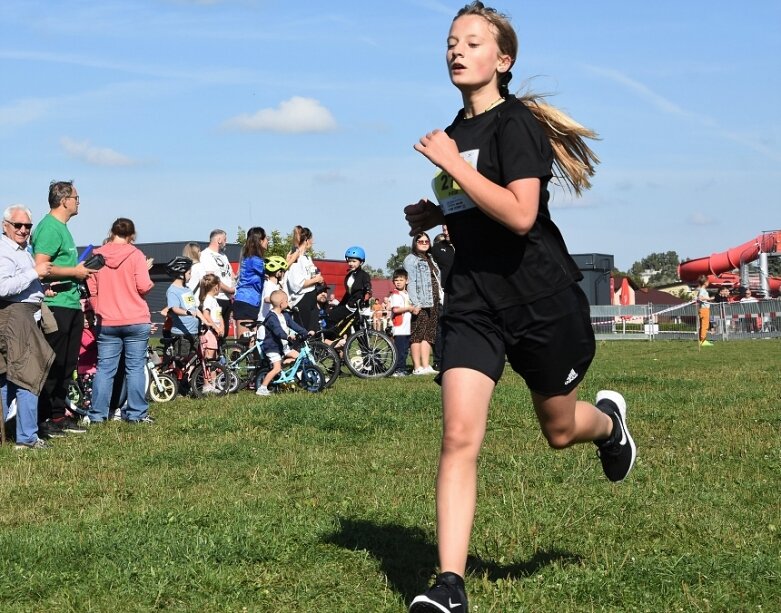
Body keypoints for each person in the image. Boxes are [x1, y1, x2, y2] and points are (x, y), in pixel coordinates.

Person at [404, 4, 635, 611]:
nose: (457, 50)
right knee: (458, 435)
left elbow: (520, 213)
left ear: (502, 60)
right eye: (451, 41)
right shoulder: (452, 134)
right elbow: (477, 211)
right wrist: (437, 214)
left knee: (560, 431)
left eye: (472, 42)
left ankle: (609, 425)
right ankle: (450, 586)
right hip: (475, 302)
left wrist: (452, 170)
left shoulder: (516, 127)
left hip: (539, 301)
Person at [32, 180, 95, 437]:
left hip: (70, 304)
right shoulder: (48, 228)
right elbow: (41, 266)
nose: (79, 202)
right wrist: (75, 272)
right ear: (64, 200)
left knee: (67, 363)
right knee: (52, 363)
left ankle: (59, 416)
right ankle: (43, 417)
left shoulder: (63, 228)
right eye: (77, 198)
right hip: (55, 305)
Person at [85, 218, 154, 424]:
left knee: (105, 369)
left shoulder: (97, 256)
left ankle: (97, 415)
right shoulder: (136, 255)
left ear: (111, 231)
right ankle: (136, 414)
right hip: (135, 319)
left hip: (107, 321)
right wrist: (147, 273)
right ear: (132, 235)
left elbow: (92, 291)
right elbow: (143, 286)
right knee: (134, 368)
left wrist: (100, 310)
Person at [0, 204, 55, 450]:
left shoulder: (22, 249)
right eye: (18, 225)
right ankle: (27, 438)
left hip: (21, 314)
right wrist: (35, 273)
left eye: (27, 226)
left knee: (9, 377)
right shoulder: (4, 250)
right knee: (28, 374)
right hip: (16, 316)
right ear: (5, 226)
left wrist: (41, 290)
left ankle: (15, 434)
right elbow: (3, 288)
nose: (23, 230)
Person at [257, 290, 310, 396]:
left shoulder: (284, 315)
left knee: (299, 357)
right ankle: (262, 388)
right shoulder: (271, 317)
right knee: (276, 368)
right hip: (273, 347)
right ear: (281, 303)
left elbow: (293, 325)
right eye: (287, 301)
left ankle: (299, 376)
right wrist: (287, 336)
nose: (288, 303)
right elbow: (277, 330)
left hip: (283, 346)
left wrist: (305, 332)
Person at [403, 232, 442, 375]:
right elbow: (411, 283)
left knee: (429, 334)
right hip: (420, 301)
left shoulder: (431, 258)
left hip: (434, 300)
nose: (424, 243)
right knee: (417, 334)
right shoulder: (411, 259)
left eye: (427, 241)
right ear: (415, 242)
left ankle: (426, 365)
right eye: (421, 241)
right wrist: (415, 303)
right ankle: (417, 366)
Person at [284, 227, 323, 332]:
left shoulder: (307, 258)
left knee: (314, 331)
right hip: (301, 299)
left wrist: (317, 277)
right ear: (306, 240)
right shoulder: (295, 258)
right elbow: (297, 284)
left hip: (311, 296)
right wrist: (315, 280)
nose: (312, 242)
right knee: (302, 331)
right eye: (311, 239)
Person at [164, 257, 207, 351]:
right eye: (189, 273)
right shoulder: (173, 290)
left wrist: (206, 322)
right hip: (181, 334)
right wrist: (187, 312)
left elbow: (194, 308)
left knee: (195, 363)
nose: (190, 276)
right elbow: (174, 309)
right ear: (181, 274)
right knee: (184, 363)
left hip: (193, 332)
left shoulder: (187, 289)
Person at [199, 229, 236, 336]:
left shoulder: (223, 255)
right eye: (225, 239)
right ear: (219, 240)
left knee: (223, 331)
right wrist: (229, 289)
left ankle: (220, 352)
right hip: (217, 297)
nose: (226, 242)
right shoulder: (206, 255)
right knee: (215, 330)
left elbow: (231, 274)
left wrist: (235, 282)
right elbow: (213, 278)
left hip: (227, 298)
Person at [233, 227, 268, 336]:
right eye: (266, 238)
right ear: (260, 240)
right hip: (246, 300)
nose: (268, 241)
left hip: (251, 301)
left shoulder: (251, 258)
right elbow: (275, 270)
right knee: (244, 340)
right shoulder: (254, 260)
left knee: (250, 341)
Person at [327, 246, 372, 328]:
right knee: (335, 314)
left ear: (361, 262)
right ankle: (344, 339)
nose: (351, 263)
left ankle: (329, 338)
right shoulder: (349, 275)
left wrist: (368, 293)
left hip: (355, 305)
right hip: (349, 304)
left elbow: (367, 285)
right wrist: (339, 306)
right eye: (349, 261)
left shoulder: (363, 275)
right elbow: (348, 293)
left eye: (354, 261)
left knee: (332, 316)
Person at [430, 226, 455, 369]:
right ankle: (439, 360)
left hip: (466, 291)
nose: (445, 232)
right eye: (444, 229)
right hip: (446, 291)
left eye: (448, 229)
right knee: (442, 325)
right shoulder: (438, 248)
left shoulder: (466, 245)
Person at [198, 273, 224, 392]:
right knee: (209, 359)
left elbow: (218, 315)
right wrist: (216, 328)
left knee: (213, 359)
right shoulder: (208, 300)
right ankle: (207, 384)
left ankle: (213, 383)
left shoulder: (214, 300)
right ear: (216, 287)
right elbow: (206, 315)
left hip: (215, 333)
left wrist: (221, 327)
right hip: (209, 333)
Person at [389, 269, 413, 377]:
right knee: (400, 350)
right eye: (396, 280)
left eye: (401, 280)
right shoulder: (396, 294)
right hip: (399, 328)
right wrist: (409, 308)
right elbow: (395, 310)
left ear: (407, 281)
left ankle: (402, 368)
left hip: (406, 327)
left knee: (404, 350)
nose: (398, 282)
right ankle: (398, 369)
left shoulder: (406, 294)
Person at [260, 255, 288, 323]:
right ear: (278, 273)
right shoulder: (268, 284)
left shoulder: (277, 286)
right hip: (265, 320)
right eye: (283, 272)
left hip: (272, 320)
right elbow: (266, 299)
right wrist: (280, 300)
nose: (284, 274)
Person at [695, 275, 713, 347]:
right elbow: (700, 298)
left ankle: (701, 340)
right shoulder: (702, 290)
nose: (709, 282)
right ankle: (703, 340)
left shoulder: (701, 290)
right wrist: (709, 299)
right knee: (705, 325)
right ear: (705, 282)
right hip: (704, 309)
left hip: (703, 309)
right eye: (708, 281)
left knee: (703, 325)